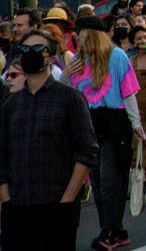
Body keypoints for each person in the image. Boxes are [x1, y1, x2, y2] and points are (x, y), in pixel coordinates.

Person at [0, 28, 99, 249]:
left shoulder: (70, 98)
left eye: (37, 48)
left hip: (57, 205)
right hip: (17, 207)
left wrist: (67, 200)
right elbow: (3, 154)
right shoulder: (12, 104)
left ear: (52, 58)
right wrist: (6, 198)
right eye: (25, 49)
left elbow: (87, 152)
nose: (30, 53)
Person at [70, 15, 146, 250]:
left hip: (115, 122)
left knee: (110, 181)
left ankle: (109, 231)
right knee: (99, 180)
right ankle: (115, 230)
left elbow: (128, 93)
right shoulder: (77, 59)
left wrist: (137, 124)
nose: (76, 38)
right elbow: (69, 93)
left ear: (90, 34)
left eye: (79, 33)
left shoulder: (117, 56)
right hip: (89, 123)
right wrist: (65, 74)